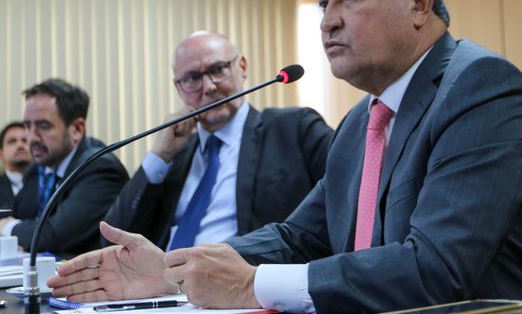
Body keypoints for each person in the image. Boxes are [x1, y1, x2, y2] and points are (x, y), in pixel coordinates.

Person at [49, 0, 522, 313]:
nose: (328, 22)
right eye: (322, 4)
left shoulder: (481, 88)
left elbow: (436, 270)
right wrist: (173, 269)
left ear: (419, 2)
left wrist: (252, 285)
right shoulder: (365, 119)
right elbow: (298, 237)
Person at [104, 31, 332, 250]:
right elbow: (112, 240)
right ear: (179, 87)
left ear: (242, 67)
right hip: (164, 285)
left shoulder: (293, 129)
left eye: (218, 69)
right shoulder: (176, 157)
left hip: (246, 281)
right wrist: (159, 156)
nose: (210, 87)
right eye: (192, 78)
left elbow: (347, 200)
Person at [0, 79, 129, 258]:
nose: (32, 137)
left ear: (77, 129)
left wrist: (7, 227)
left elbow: (51, 236)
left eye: (43, 126)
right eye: (28, 126)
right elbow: (21, 216)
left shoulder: (99, 167)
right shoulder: (38, 169)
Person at [0, 121, 32, 208]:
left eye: (25, 140)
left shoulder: (49, 184)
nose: (20, 145)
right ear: (1, 154)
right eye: (12, 141)